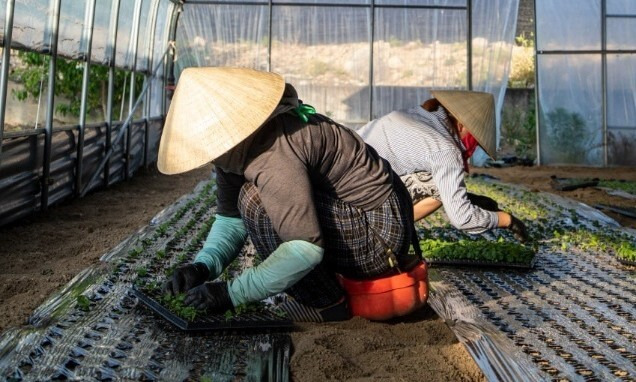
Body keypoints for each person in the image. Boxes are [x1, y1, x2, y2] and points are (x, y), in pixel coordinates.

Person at [157, 67, 422, 322]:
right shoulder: (233, 148)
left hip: (379, 238)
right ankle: (325, 289)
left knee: (254, 200)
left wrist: (231, 293)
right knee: (249, 200)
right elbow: (230, 220)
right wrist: (203, 267)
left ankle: (324, 303)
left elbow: (304, 248)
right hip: (355, 220)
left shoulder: (272, 149)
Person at [357, 90, 528, 241]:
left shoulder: (419, 115)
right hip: (355, 200)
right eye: (474, 137)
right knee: (438, 188)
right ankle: (378, 234)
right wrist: (507, 220)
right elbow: (462, 218)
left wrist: (469, 199)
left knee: (436, 182)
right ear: (462, 125)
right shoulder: (445, 149)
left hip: (342, 181)